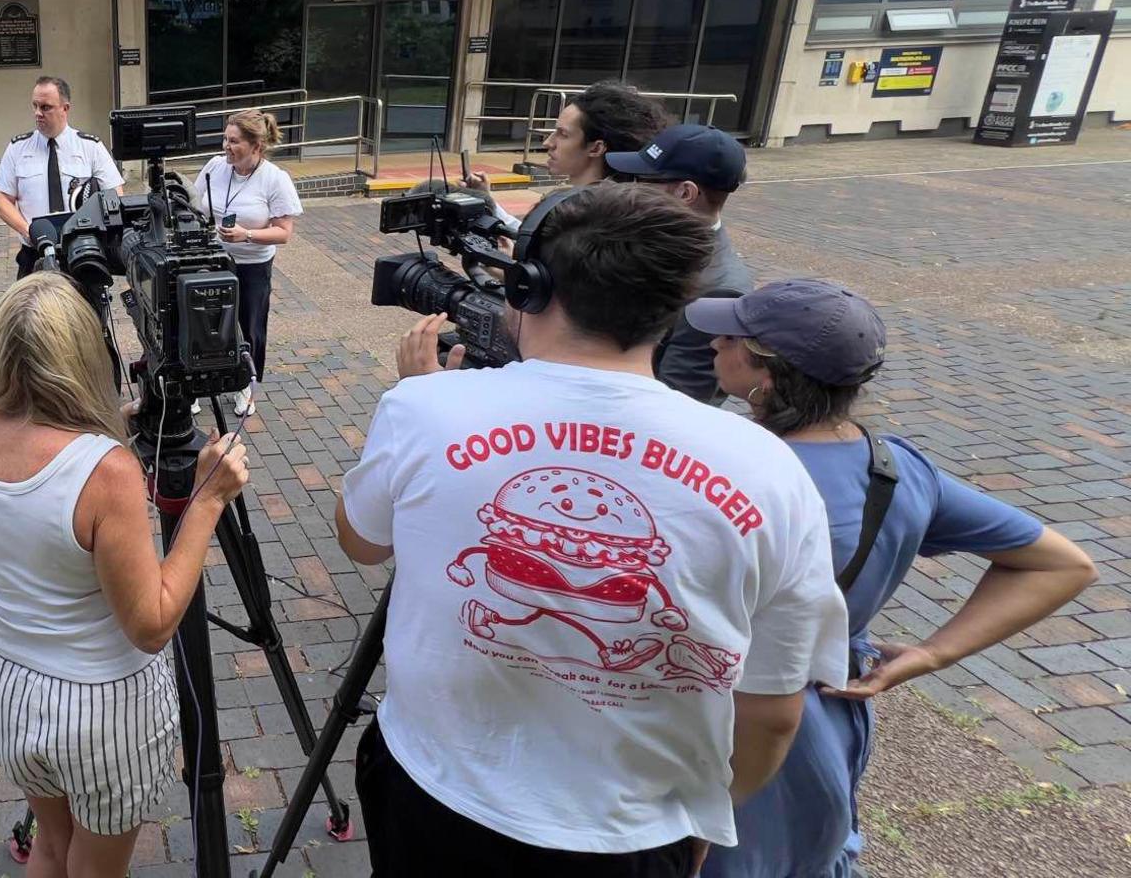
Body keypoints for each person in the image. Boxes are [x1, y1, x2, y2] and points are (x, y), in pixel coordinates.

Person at [336, 182, 849, 877]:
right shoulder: (772, 468)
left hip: (437, 798)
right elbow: (774, 710)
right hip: (634, 834)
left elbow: (362, 543)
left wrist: (417, 394)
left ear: (529, 285)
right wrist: (707, 814)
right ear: (675, 312)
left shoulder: (424, 408)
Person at [687, 280, 1095, 878]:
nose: (715, 344)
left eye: (731, 338)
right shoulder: (897, 469)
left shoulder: (726, 469)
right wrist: (931, 654)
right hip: (828, 714)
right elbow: (1064, 563)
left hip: (729, 714)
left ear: (766, 374)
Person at [0, 273, 250, 878]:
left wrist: (117, 420)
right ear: (88, 353)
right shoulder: (106, 472)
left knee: (54, 849)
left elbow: (42, 464)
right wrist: (209, 501)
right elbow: (153, 622)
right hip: (104, 712)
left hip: (15, 689)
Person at [606, 123, 755, 406]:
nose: (631, 189)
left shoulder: (718, 291)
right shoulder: (648, 238)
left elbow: (678, 402)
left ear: (685, 193)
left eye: (643, 180)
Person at [191, 109, 302, 418]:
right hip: (212, 260)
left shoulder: (275, 179)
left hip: (252, 266)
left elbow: (283, 233)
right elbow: (193, 202)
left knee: (249, 328)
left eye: (235, 141)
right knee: (204, 325)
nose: (226, 146)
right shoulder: (216, 166)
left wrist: (247, 234)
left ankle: (245, 388)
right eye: (225, 139)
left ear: (257, 146)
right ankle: (200, 386)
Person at [462, 80, 672, 233]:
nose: (547, 143)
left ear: (596, 148)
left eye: (562, 134)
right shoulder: (618, 204)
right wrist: (489, 201)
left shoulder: (592, 220)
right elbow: (531, 235)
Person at [0, 76, 124, 278]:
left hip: (81, 251)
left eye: (46, 107)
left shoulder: (91, 147)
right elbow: (2, 200)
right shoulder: (18, 148)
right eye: (35, 106)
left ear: (65, 108)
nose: (38, 113)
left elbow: (115, 195)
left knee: (86, 310)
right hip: (34, 252)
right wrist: (30, 231)